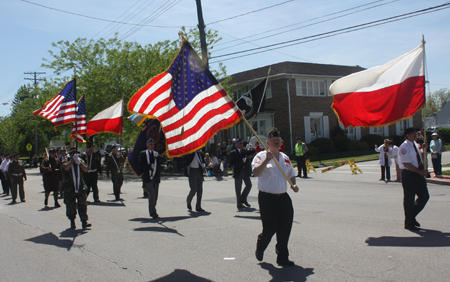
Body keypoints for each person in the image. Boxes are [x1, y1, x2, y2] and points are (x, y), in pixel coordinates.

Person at [252, 129, 299, 266]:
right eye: (273, 140)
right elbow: (255, 172)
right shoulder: (260, 156)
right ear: (267, 143)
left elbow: (291, 174)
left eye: (278, 139)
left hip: (283, 198)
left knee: (285, 228)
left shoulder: (285, 157)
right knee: (270, 228)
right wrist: (267, 159)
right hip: (267, 199)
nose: (276, 141)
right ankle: (261, 245)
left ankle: (282, 257)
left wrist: (293, 185)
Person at [398, 128, 429, 231]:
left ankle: (411, 217)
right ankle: (409, 223)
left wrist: (424, 149)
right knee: (409, 199)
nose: (416, 135)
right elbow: (406, 163)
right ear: (407, 135)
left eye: (416, 134)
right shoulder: (404, 146)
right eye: (413, 134)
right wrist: (421, 172)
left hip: (418, 174)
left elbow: (420, 157)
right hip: (410, 174)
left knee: (424, 196)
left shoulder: (415, 144)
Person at [62, 147, 91, 229]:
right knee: (71, 206)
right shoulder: (66, 161)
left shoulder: (80, 161)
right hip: (69, 188)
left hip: (80, 187)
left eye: (76, 153)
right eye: (73, 153)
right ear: (70, 154)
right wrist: (72, 161)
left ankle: (84, 221)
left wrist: (80, 163)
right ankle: (72, 222)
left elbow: (86, 170)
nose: (75, 154)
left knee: (83, 205)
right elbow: (65, 168)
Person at [138, 138, 164, 219]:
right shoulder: (143, 153)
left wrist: (159, 157)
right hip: (148, 177)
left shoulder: (156, 153)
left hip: (155, 177)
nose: (152, 146)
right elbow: (140, 164)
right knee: (152, 193)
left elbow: (163, 160)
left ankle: (153, 207)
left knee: (155, 195)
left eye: (153, 144)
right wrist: (149, 166)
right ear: (147, 145)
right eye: (151, 144)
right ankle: (152, 212)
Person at [230, 138, 252, 210]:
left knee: (249, 185)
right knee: (238, 189)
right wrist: (241, 161)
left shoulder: (244, 151)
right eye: (240, 143)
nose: (242, 144)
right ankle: (239, 204)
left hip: (245, 172)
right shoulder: (233, 152)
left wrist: (249, 148)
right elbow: (231, 162)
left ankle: (243, 198)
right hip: (238, 172)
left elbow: (253, 152)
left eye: (242, 143)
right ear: (237, 144)